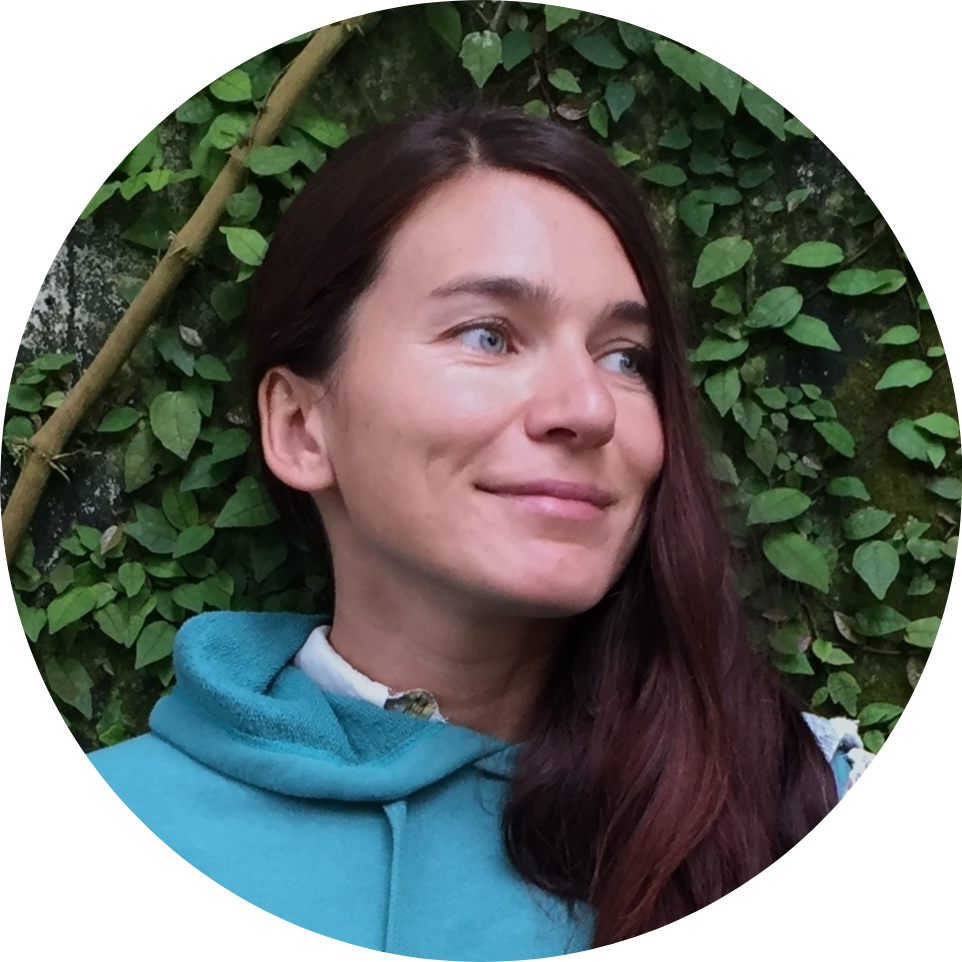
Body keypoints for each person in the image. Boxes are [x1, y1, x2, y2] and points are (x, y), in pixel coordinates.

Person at [87, 105, 868, 956]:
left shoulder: (795, 800)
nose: (590, 409)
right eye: (489, 336)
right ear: (303, 428)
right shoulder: (146, 807)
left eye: (624, 357)